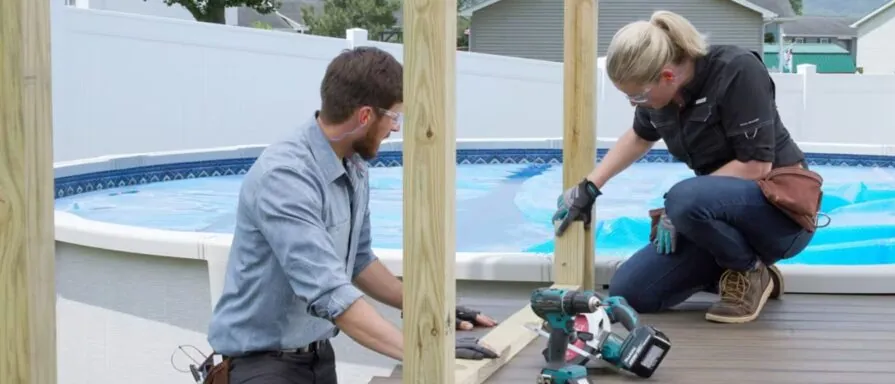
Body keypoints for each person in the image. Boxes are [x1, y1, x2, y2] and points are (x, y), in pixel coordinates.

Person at [205, 47, 498, 384]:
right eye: (394, 117)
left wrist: (431, 307)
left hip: (317, 355)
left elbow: (358, 260)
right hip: (261, 367)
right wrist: (425, 353)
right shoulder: (285, 176)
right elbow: (329, 292)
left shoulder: (353, 164)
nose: (396, 129)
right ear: (364, 116)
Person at [552, 11, 816, 324]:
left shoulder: (736, 70)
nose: (634, 104)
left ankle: (749, 271)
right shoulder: (659, 100)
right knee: (631, 292)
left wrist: (679, 209)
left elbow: (757, 165)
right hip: (712, 215)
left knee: (682, 199)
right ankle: (730, 270)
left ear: (668, 76)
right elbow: (639, 136)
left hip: (779, 214)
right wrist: (589, 186)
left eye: (637, 95)